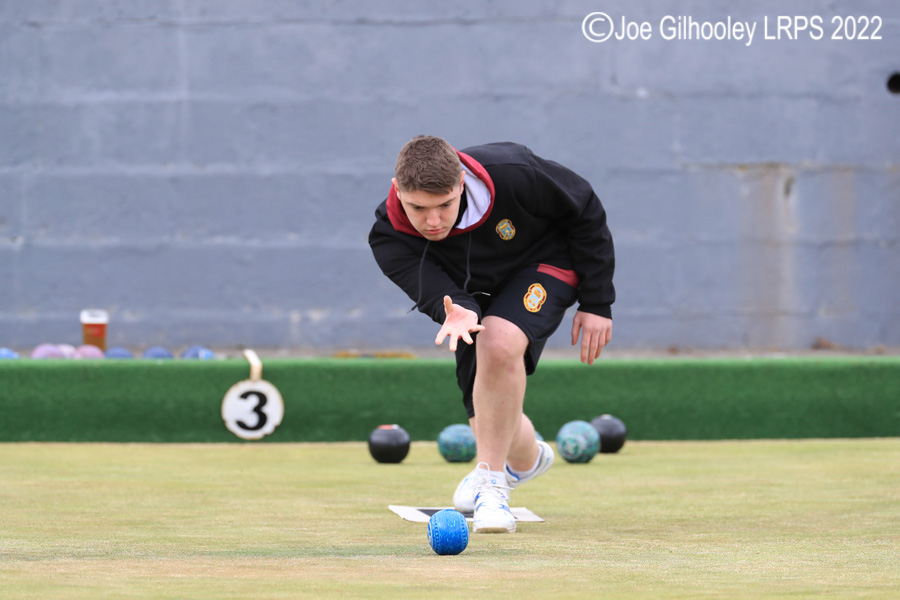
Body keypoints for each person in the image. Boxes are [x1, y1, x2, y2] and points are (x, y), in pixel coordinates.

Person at [368, 136, 615, 533]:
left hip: (545, 263)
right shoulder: (389, 237)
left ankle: (491, 484)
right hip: (475, 296)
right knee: (486, 419)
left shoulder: (515, 174)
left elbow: (583, 208)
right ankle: (528, 459)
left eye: (444, 205)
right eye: (419, 208)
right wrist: (459, 309)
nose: (433, 221)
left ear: (462, 182)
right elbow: (436, 290)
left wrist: (597, 301)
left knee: (498, 340)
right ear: (398, 190)